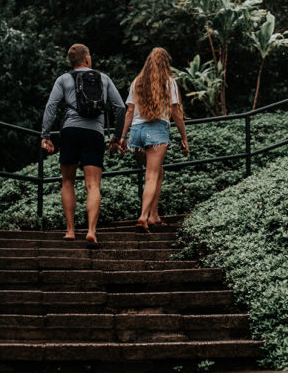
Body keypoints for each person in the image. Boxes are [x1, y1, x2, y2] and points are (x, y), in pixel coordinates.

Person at [40, 43, 126, 244]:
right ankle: (91, 231)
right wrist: (117, 135)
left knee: (68, 181)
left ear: (71, 62)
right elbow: (120, 107)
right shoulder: (103, 78)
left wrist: (45, 135)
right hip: (94, 134)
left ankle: (70, 230)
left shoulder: (63, 79)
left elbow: (51, 107)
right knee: (93, 185)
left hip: (70, 131)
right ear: (87, 59)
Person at [117, 47, 189, 232]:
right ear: (166, 63)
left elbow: (130, 111)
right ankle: (143, 216)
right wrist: (184, 138)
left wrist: (123, 136)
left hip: (136, 133)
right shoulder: (169, 82)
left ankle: (154, 216)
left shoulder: (137, 82)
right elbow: (176, 112)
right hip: (156, 131)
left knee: (157, 173)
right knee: (151, 175)